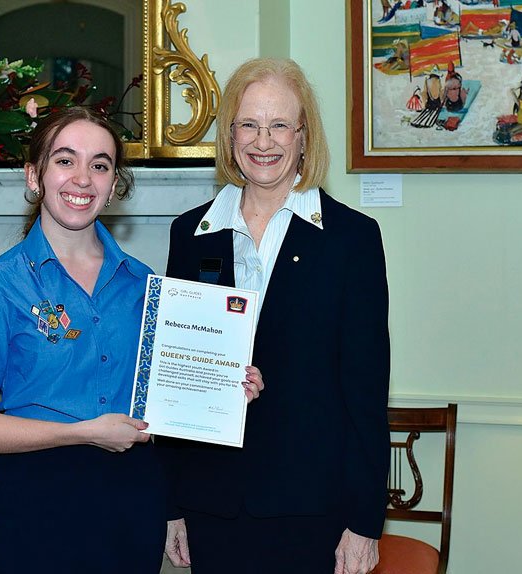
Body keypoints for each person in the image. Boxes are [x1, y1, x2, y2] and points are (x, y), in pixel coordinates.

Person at [0, 106, 263, 574]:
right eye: (65, 160)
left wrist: (228, 384)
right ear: (34, 176)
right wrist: (84, 433)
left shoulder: (144, 284)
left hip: (131, 503)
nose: (82, 179)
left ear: (114, 186)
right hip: (37, 506)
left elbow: (166, 403)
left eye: (99, 165)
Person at [160, 58, 390, 574]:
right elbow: (176, 375)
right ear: (230, 135)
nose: (264, 141)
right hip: (212, 505)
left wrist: (365, 520)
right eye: (249, 124)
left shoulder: (352, 240)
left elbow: (367, 391)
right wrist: (172, 506)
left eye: (280, 124)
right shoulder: (189, 235)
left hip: (315, 510)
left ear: (304, 136)